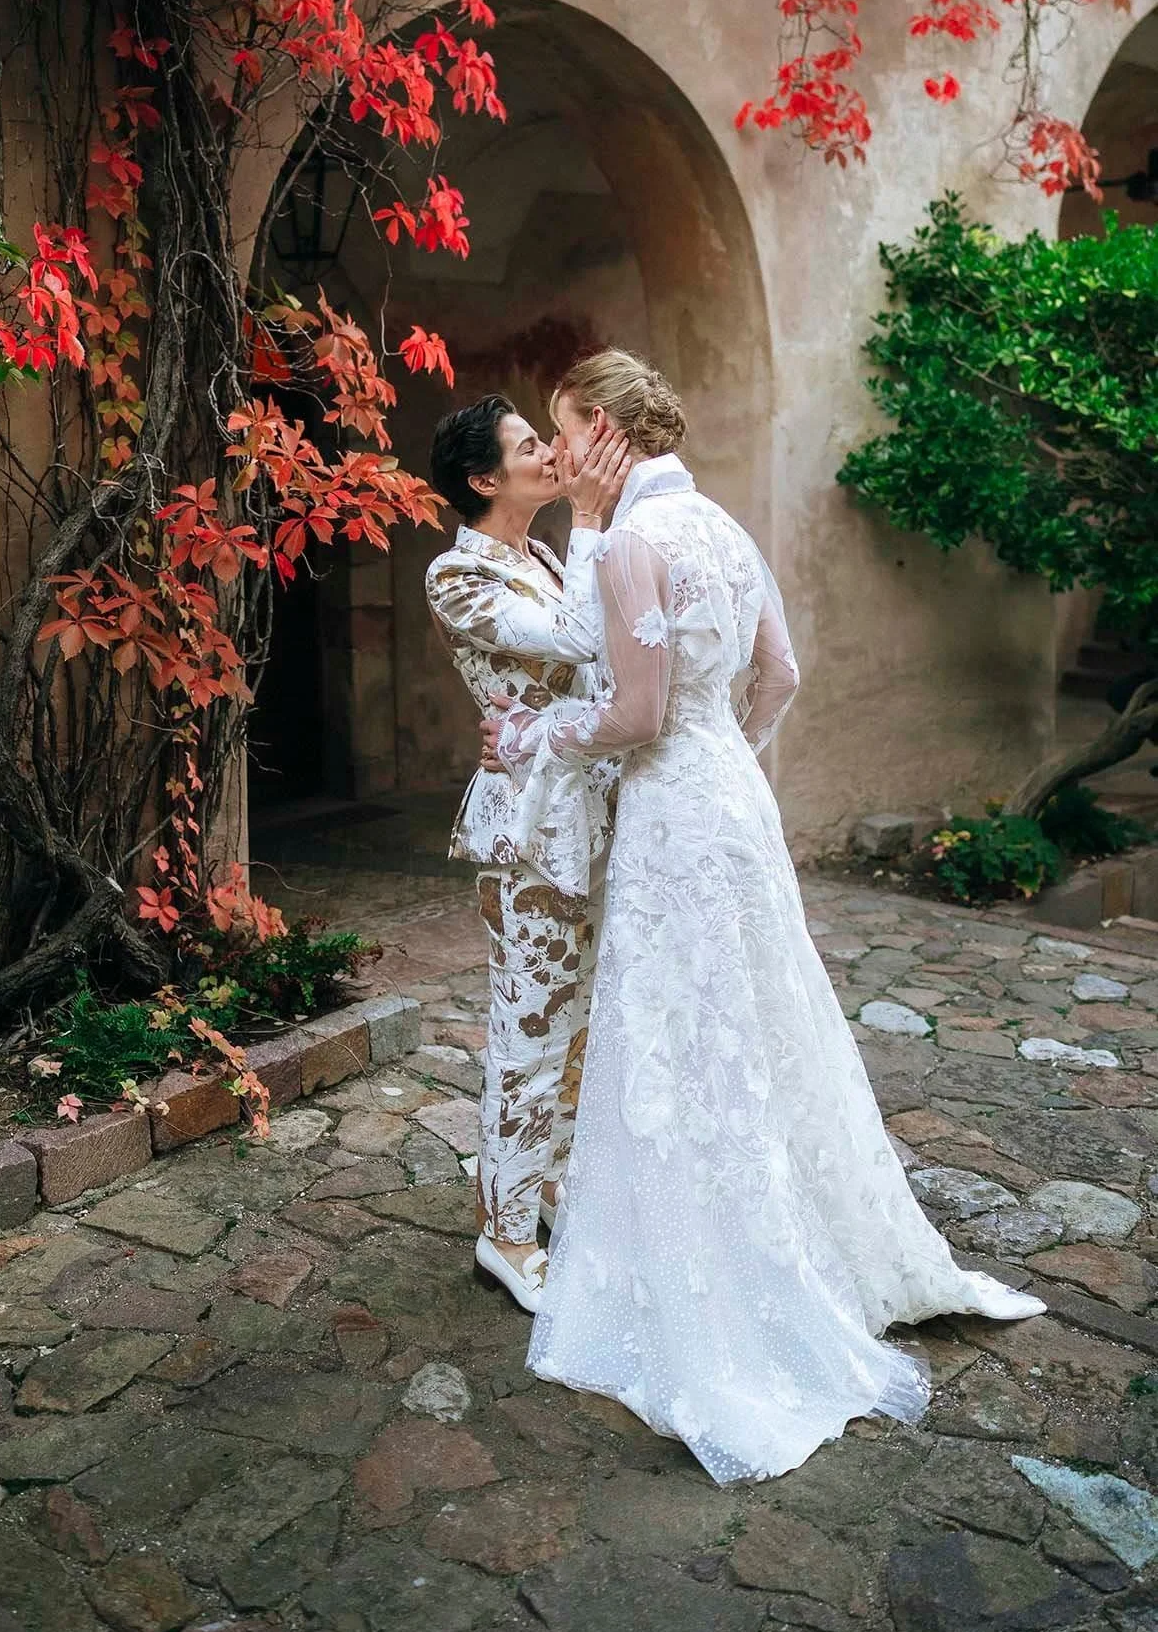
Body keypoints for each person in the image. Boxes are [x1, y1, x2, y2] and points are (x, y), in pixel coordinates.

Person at [483, 349, 1044, 1484]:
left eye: (567, 429)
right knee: (766, 1023)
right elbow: (780, 672)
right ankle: (820, 1241)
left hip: (674, 815)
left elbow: (635, 713)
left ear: (606, 428)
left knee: (682, 1040)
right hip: (731, 799)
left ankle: (720, 1286)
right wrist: (720, 747)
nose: (561, 455)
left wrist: (540, 735)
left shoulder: (639, 540)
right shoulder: (723, 530)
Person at [424, 393, 630, 1314]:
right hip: (531, 830)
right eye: (527, 445)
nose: (551, 451)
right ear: (483, 479)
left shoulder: (545, 556)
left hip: (586, 806)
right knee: (529, 1030)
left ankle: (543, 1186)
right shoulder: (455, 578)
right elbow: (578, 640)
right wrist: (592, 514)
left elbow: (598, 670)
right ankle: (502, 1234)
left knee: (578, 1024)